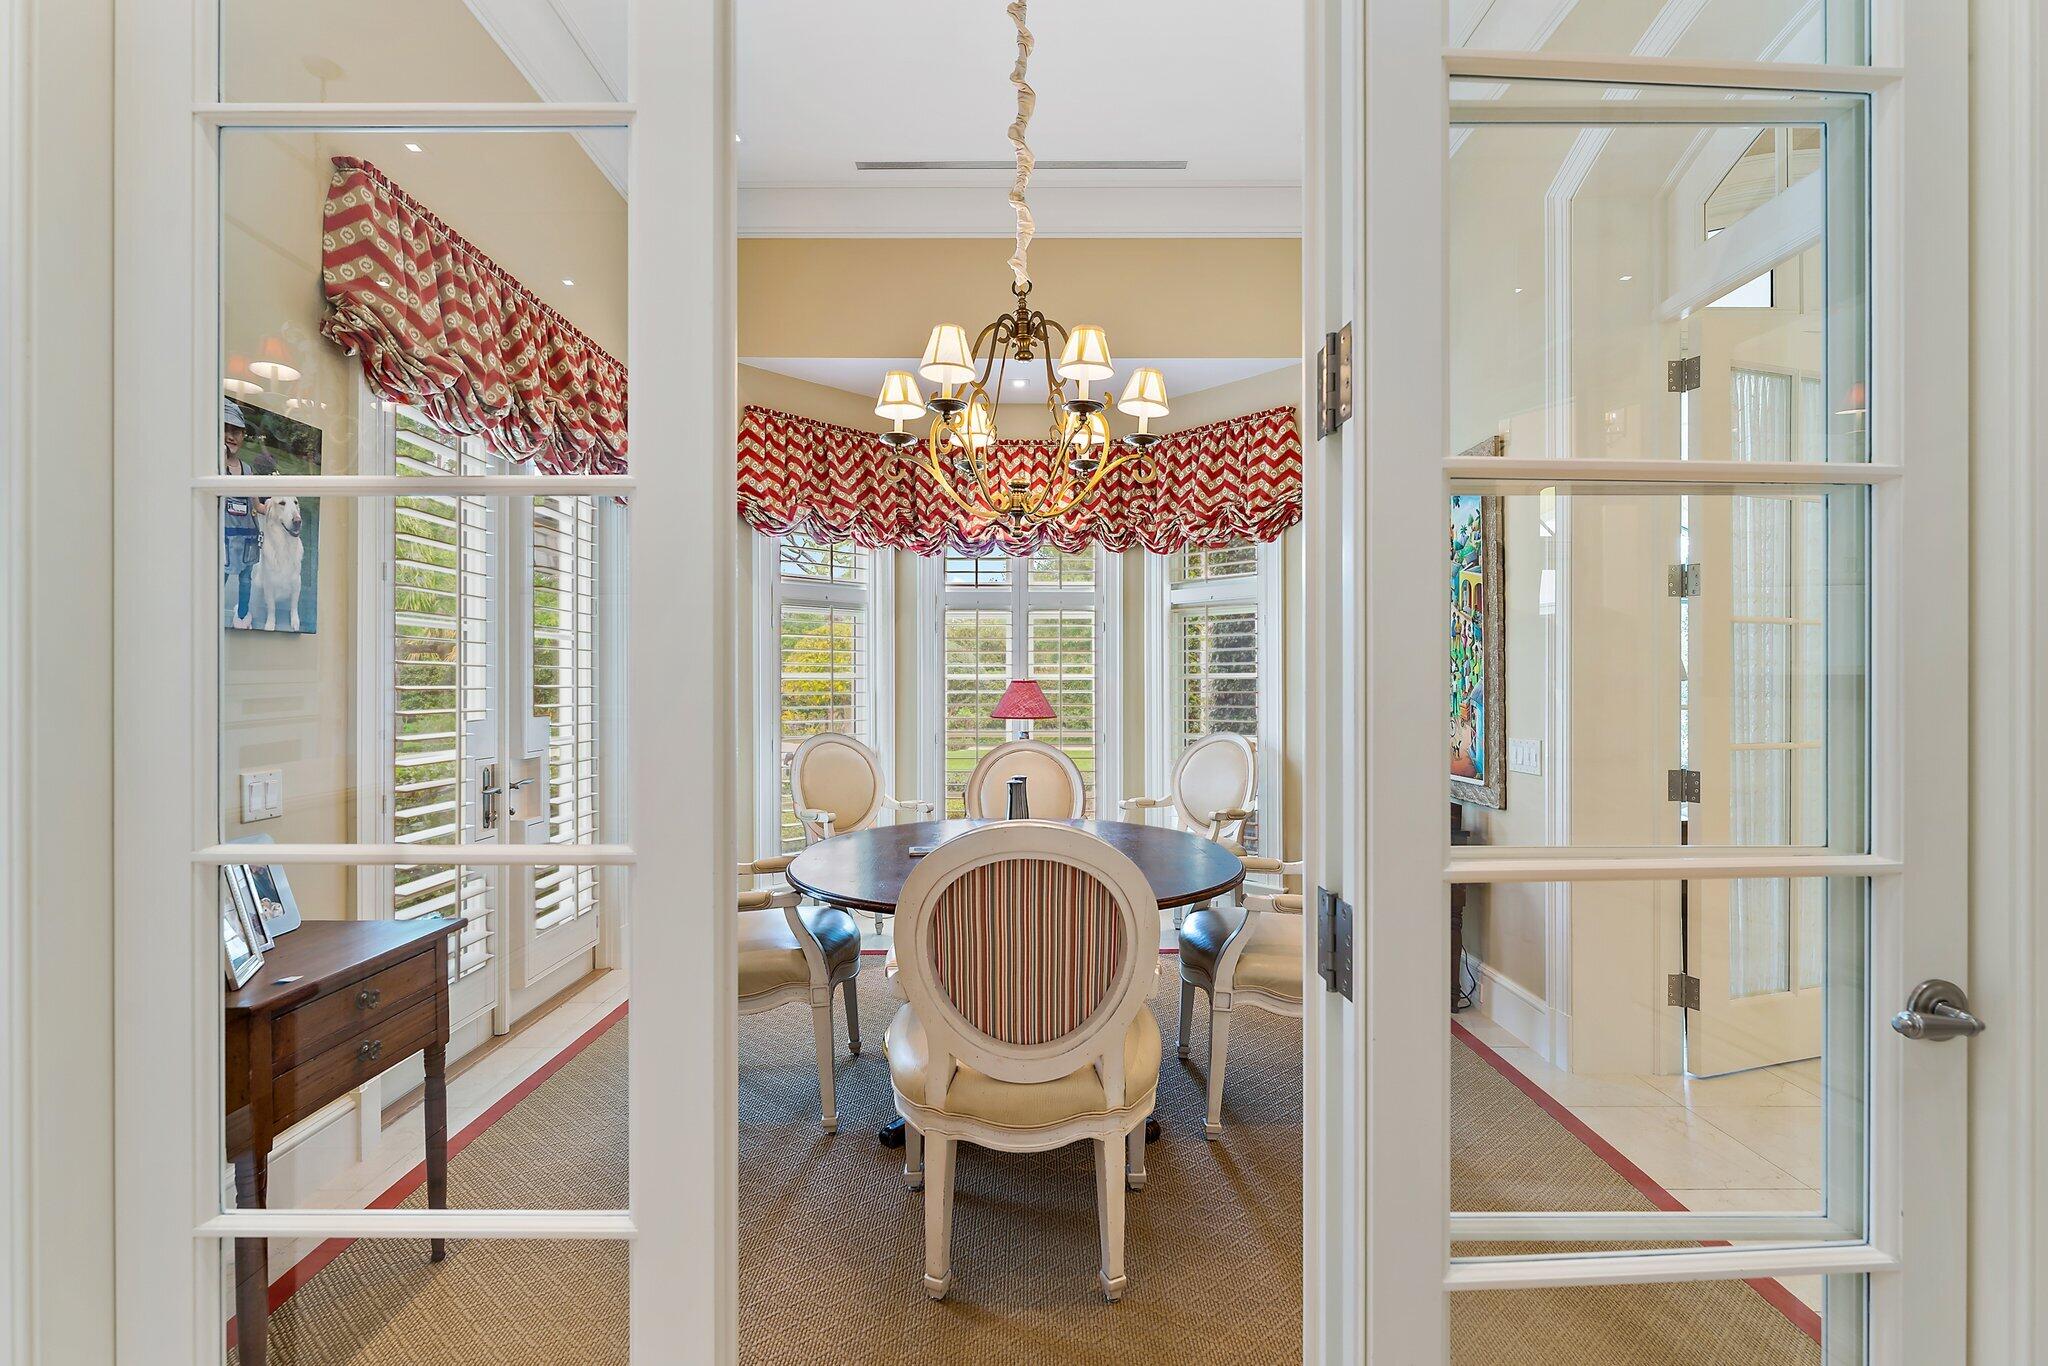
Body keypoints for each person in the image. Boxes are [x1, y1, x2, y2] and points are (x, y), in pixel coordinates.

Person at [221, 397, 275, 626]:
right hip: (225, 536)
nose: (231, 436)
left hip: (246, 537)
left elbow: (256, 505)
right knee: (220, 575)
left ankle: (242, 614)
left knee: (246, 579)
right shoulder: (215, 467)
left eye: (236, 431)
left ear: (243, 435)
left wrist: (271, 507)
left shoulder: (247, 469)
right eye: (225, 430)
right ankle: (211, 611)